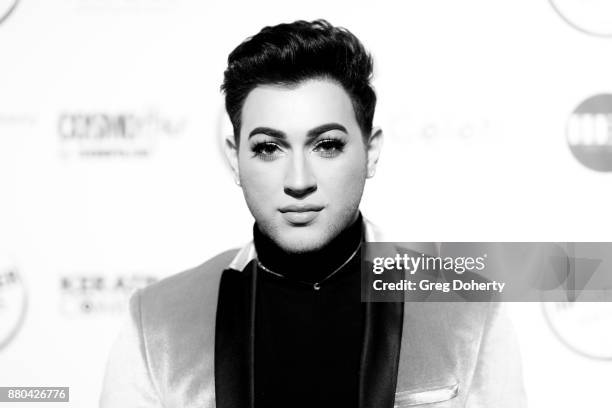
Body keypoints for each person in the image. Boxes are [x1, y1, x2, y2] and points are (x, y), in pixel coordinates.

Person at [100, 19, 526, 408]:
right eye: (269, 148)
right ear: (235, 158)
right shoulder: (157, 321)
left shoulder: (468, 308)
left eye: (327, 145)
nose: (298, 180)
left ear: (371, 151)